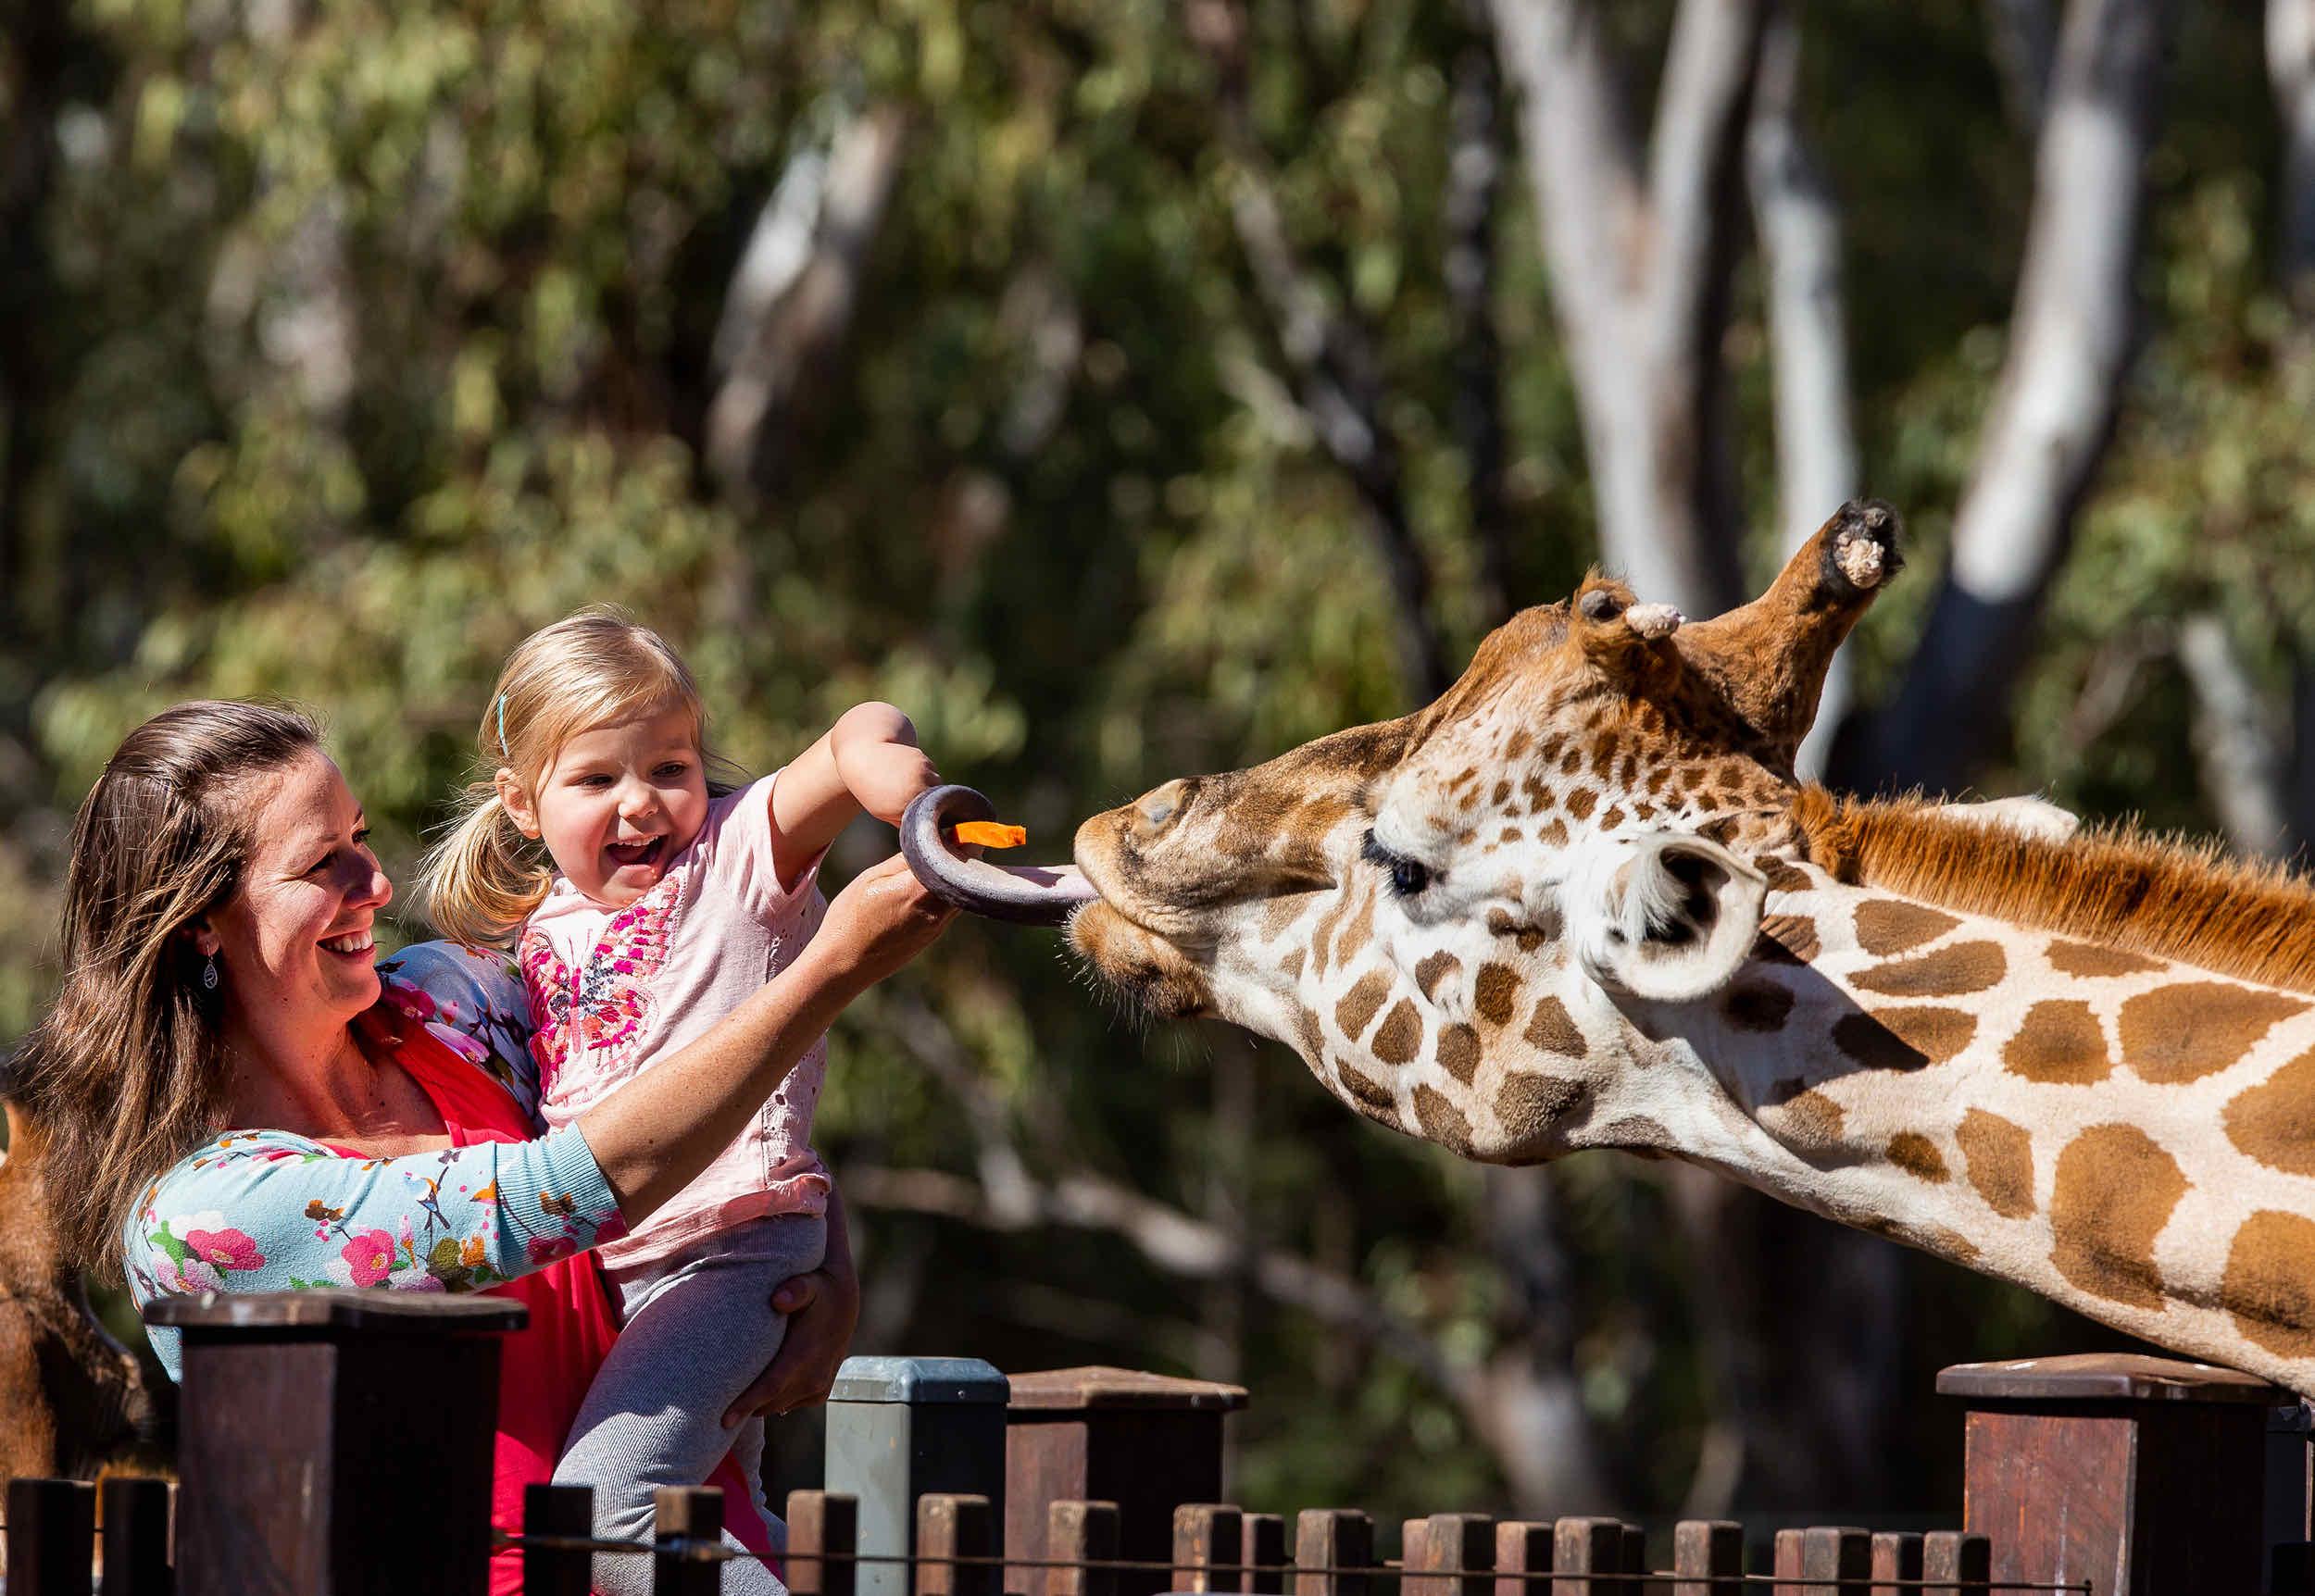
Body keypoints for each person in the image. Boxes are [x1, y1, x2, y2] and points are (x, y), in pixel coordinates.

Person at [10, 699, 954, 1596]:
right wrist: (829, 970)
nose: (376, 883)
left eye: (360, 837)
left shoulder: (455, 1003)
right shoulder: (204, 1217)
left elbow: (677, 1057)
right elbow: (552, 1191)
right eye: (322, 864)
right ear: (198, 924)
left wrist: (805, 1238)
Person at [415, 608, 936, 1592]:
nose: (641, 802)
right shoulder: (540, 929)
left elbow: (851, 736)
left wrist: (895, 779)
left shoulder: (736, 863)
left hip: (726, 1254)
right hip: (617, 1274)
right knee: (724, 1514)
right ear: (521, 803)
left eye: (670, 766)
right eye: (595, 779)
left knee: (607, 1514)